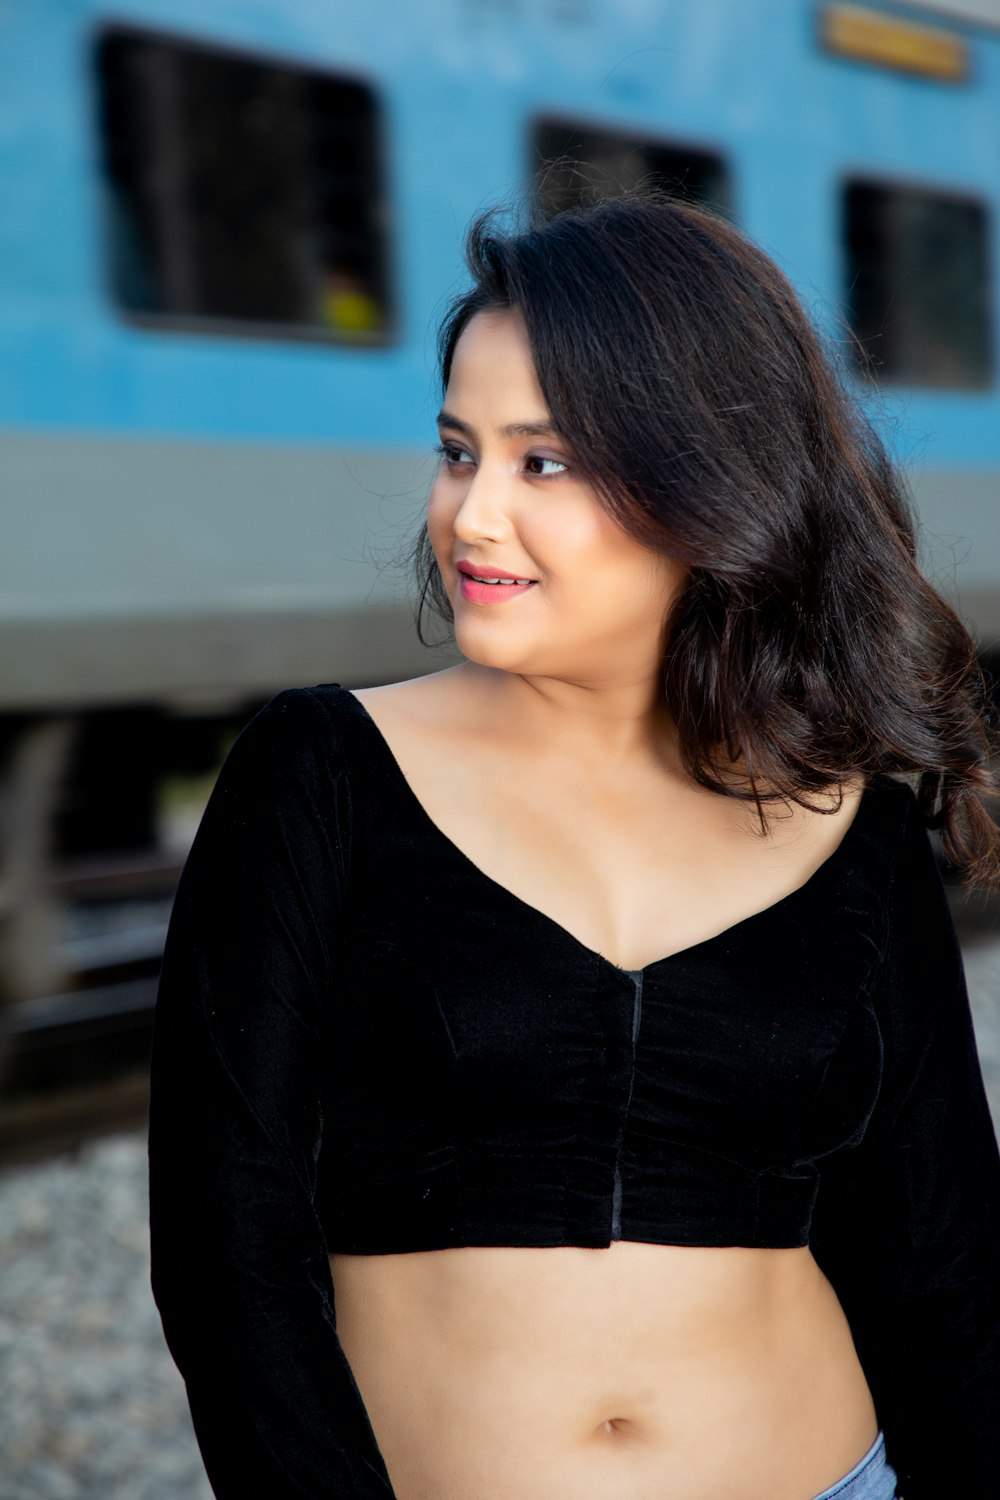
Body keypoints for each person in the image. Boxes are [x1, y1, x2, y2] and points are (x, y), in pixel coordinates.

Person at [148, 190, 1000, 1500]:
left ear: (704, 479)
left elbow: (947, 1276)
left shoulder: (858, 831)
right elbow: (226, 1256)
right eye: (457, 452)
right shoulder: (320, 778)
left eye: (543, 463)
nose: (474, 516)